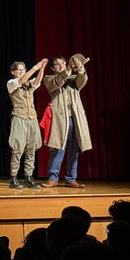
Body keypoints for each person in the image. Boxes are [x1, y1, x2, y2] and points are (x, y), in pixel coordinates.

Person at [42, 53, 92, 188]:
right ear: (52, 68)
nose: (61, 66)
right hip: (60, 118)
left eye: (63, 63)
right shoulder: (49, 78)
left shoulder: (73, 79)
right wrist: (68, 69)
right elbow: (57, 82)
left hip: (75, 118)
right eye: (58, 64)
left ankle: (71, 178)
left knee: (74, 149)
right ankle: (53, 178)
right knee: (58, 148)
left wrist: (80, 67)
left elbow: (83, 79)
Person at [7, 58, 46, 189]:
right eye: (20, 70)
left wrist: (42, 68)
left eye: (24, 70)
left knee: (31, 148)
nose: (22, 72)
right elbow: (21, 80)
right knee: (18, 148)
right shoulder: (12, 82)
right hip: (19, 118)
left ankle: (29, 177)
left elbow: (37, 81)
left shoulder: (28, 84)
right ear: (13, 72)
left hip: (31, 118)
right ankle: (14, 177)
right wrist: (35, 67)